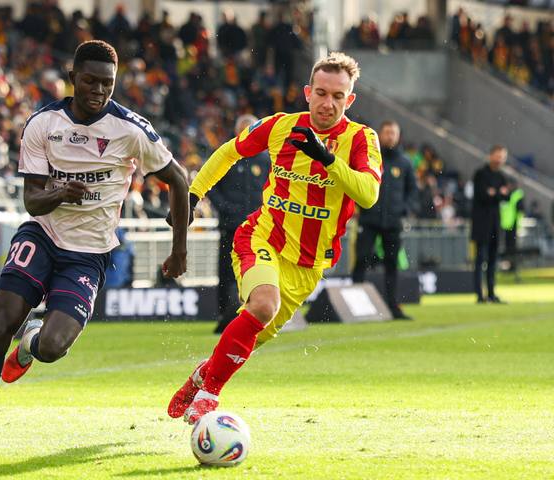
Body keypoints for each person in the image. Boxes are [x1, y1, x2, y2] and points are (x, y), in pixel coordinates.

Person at [0, 40, 190, 454]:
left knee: (53, 348)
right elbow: (32, 200)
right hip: (42, 235)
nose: (99, 90)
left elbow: (179, 180)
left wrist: (179, 250)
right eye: (90, 81)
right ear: (73, 77)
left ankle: (31, 343)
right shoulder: (43, 123)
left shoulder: (131, 130)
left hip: (89, 253)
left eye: (107, 84)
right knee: (0, 325)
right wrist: (60, 192)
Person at [166, 52, 382, 424]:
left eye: (337, 96)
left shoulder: (362, 139)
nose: (327, 103)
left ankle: (204, 373)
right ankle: (209, 396)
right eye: (321, 93)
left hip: (308, 265)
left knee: (251, 336)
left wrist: (327, 159)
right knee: (263, 305)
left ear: (350, 100)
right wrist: (193, 195)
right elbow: (229, 152)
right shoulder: (281, 126)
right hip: (262, 237)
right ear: (307, 93)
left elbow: (368, 194)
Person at [207, 114, 270, 334]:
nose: (247, 134)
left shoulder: (266, 160)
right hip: (230, 226)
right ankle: (224, 315)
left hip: (258, 228)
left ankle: (255, 313)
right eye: (243, 130)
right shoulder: (226, 155)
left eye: (251, 130)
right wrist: (225, 207)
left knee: (257, 269)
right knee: (226, 271)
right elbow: (210, 184)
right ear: (236, 132)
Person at [351, 120, 417, 320]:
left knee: (392, 264)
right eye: (387, 132)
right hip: (369, 219)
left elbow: (412, 191)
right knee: (362, 258)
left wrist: (404, 209)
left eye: (393, 133)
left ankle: (392, 306)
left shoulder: (405, 163)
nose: (390, 136)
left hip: (393, 222)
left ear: (398, 136)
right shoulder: (370, 158)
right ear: (379, 134)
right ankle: (355, 305)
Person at [471, 145, 509, 304]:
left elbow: (506, 196)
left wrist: (495, 193)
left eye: (502, 157)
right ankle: (480, 295)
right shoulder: (480, 174)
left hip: (495, 223)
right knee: (480, 259)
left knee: (493, 259)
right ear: (491, 156)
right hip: (481, 223)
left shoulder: (501, 176)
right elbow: (483, 195)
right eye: (498, 156)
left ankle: (491, 293)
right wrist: (498, 194)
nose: (500, 160)